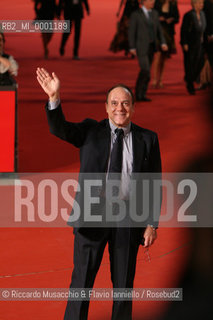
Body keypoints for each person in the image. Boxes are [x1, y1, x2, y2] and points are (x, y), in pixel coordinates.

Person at [36, 66, 162, 320]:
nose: (120, 108)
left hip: (128, 218)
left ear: (133, 108)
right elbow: (60, 129)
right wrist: (53, 98)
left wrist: (151, 223)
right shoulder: (90, 131)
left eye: (125, 103)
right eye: (114, 103)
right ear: (105, 107)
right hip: (92, 215)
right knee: (81, 283)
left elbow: (153, 183)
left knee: (124, 286)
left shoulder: (147, 139)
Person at [128, 0, 168, 102]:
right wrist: (132, 47)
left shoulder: (154, 13)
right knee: (145, 70)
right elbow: (131, 31)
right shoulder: (136, 15)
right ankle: (138, 92)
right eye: (150, 0)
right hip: (141, 47)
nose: (153, 2)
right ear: (144, 2)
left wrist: (163, 43)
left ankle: (142, 94)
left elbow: (159, 30)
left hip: (152, 47)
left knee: (146, 71)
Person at [180, 0, 206, 95]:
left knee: (200, 62)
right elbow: (183, 30)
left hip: (200, 43)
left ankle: (190, 78)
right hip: (190, 43)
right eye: (199, 3)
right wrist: (184, 43)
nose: (201, 5)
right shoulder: (189, 15)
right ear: (194, 4)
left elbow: (204, 29)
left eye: (202, 3)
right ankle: (190, 85)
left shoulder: (203, 14)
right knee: (190, 64)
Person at [152, 0, 179, 88]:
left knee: (164, 58)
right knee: (158, 55)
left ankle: (160, 80)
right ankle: (154, 79)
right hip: (158, 32)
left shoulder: (173, 4)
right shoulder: (157, 3)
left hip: (169, 33)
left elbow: (177, 17)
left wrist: (172, 20)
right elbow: (152, 15)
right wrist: (159, 18)